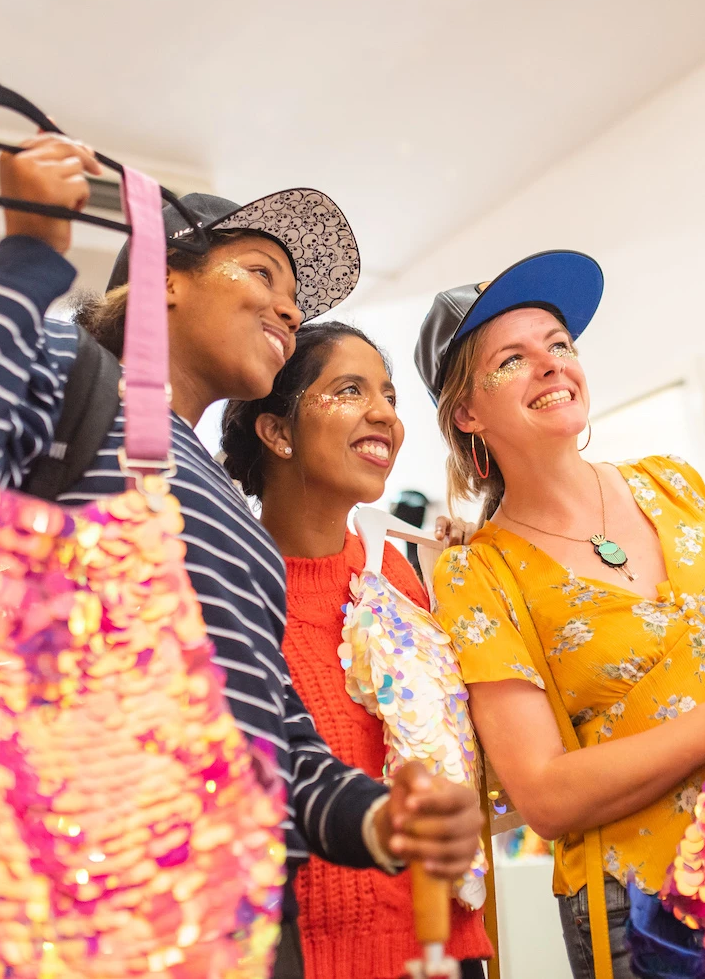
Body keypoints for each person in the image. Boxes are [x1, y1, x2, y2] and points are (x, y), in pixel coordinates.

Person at [0, 134, 483, 977]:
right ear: (164, 281)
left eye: (295, 300)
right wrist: (31, 250)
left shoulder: (232, 516)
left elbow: (270, 730)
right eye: (261, 274)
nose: (290, 312)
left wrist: (375, 818)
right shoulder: (71, 380)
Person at [412, 251, 705, 979]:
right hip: (651, 907)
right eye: (513, 359)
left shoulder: (672, 486)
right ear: (466, 411)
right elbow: (545, 796)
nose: (552, 365)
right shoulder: (480, 573)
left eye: (560, 345)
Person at [220, 322, 492, 979]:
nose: (386, 416)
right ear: (278, 431)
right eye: (349, 390)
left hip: (445, 946)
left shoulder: (398, 572)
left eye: (390, 396)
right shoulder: (232, 592)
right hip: (312, 958)